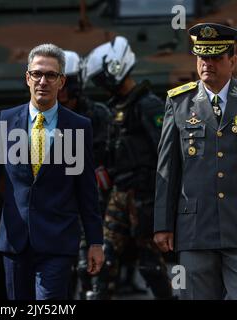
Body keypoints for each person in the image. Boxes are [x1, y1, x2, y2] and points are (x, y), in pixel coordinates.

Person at [0, 43, 104, 300]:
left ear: (61, 81)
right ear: (27, 78)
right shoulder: (5, 120)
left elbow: (86, 190)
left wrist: (95, 242)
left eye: (51, 75)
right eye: (37, 73)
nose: (43, 81)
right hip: (15, 240)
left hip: (58, 241)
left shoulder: (79, 126)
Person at [154, 22, 237, 300]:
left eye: (215, 57)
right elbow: (168, 168)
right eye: (202, 57)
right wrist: (163, 224)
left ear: (232, 61)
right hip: (195, 229)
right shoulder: (179, 102)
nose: (207, 63)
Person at [84, 36, 173, 299]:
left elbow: (165, 152)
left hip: (143, 194)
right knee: (103, 253)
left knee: (149, 260)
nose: (100, 85)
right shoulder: (116, 108)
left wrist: (157, 196)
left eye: (102, 79)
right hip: (120, 192)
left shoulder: (148, 105)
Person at [57, 50, 112, 299]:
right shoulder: (39, 117)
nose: (61, 91)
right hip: (56, 200)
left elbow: (108, 155)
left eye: (67, 83)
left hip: (94, 198)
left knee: (88, 266)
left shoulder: (98, 115)